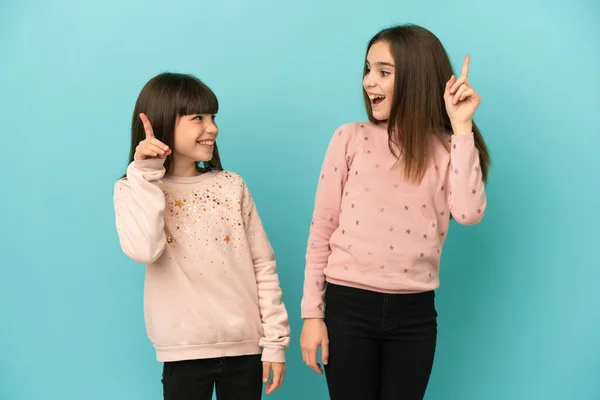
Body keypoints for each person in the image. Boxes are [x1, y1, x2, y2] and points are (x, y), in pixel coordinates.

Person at [299, 24, 491, 400]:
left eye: (384, 72)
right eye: (367, 69)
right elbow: (322, 229)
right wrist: (312, 314)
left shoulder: (450, 146)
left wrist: (462, 126)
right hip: (348, 308)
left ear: (416, 78)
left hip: (415, 314)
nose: (369, 81)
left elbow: (469, 213)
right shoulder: (349, 137)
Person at [113, 72, 290, 400]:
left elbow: (263, 265)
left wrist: (275, 343)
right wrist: (147, 175)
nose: (212, 128)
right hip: (183, 352)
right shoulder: (132, 187)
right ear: (164, 121)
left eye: (213, 117)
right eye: (198, 118)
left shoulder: (231, 185)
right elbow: (144, 250)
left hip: (245, 348)